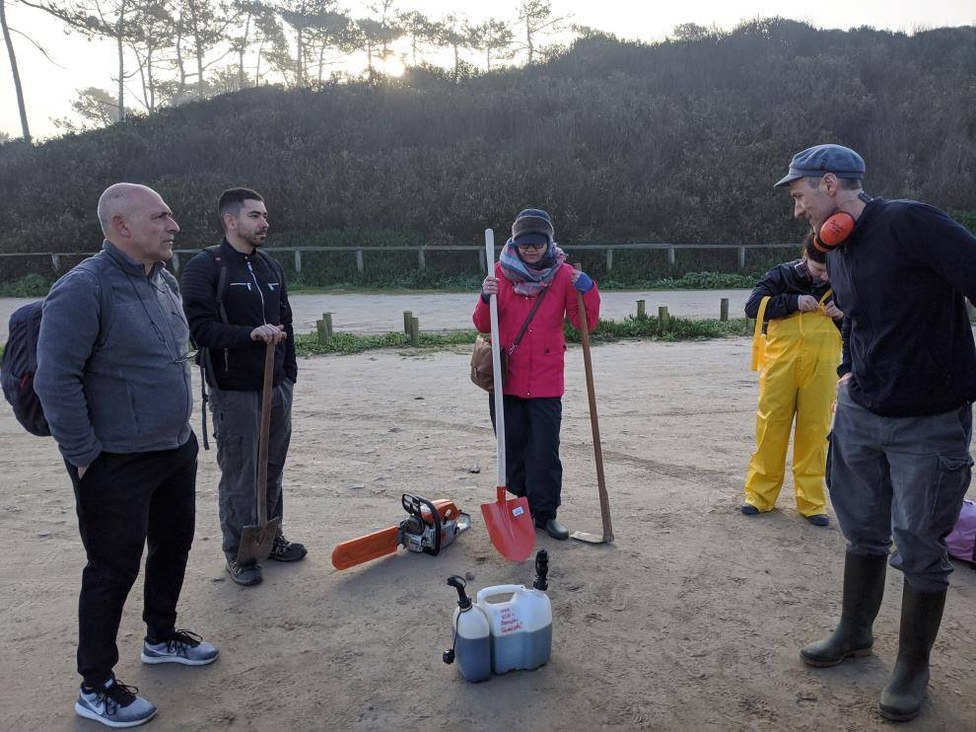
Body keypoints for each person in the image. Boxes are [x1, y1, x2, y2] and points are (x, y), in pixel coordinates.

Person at [774, 144, 976, 721]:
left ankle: (912, 668)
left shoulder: (912, 223)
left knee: (920, 544)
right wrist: (847, 371)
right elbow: (857, 322)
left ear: (830, 184)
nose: (797, 210)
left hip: (928, 421)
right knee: (862, 529)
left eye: (800, 196)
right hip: (862, 411)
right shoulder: (835, 248)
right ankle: (855, 632)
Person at [34, 183, 218, 729]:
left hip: (173, 447)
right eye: (160, 217)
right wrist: (84, 456)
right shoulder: (83, 289)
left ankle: (160, 637)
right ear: (121, 226)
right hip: (114, 461)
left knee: (173, 545)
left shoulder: (161, 280)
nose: (173, 225)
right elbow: (55, 380)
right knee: (112, 570)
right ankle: (95, 685)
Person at [181, 188, 304, 588]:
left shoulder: (270, 266)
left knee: (272, 467)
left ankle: (270, 538)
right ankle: (239, 552)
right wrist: (248, 334)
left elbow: (286, 321)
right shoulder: (206, 267)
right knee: (241, 473)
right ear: (230, 221)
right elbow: (200, 330)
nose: (264, 223)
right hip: (234, 390)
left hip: (276, 385)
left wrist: (288, 374)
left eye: (265, 215)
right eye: (255, 216)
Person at [473, 208, 600, 540]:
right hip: (506, 380)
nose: (531, 249)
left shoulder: (565, 275)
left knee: (544, 451)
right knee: (512, 448)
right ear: (515, 243)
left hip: (546, 380)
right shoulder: (499, 273)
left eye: (537, 243)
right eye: (525, 243)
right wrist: (485, 297)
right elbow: (483, 324)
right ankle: (522, 506)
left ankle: (545, 513)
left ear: (548, 242)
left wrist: (588, 290)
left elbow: (584, 324)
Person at [741, 232, 843, 526]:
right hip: (779, 367)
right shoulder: (781, 275)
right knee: (770, 427)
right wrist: (793, 301)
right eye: (818, 269)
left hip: (822, 368)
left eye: (829, 270)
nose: (824, 276)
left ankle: (811, 502)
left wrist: (842, 314)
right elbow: (752, 307)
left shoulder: (845, 282)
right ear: (805, 256)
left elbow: (863, 322)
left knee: (815, 432)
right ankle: (759, 495)